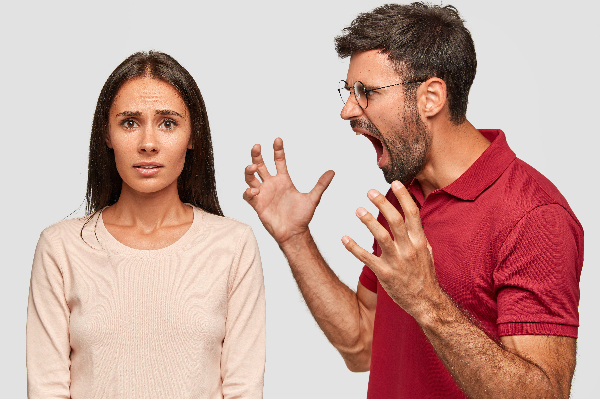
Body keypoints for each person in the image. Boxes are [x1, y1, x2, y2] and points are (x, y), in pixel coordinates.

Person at [243, 3, 582, 398]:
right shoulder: (405, 199)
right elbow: (361, 345)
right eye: (348, 91)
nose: (347, 110)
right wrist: (294, 238)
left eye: (365, 92)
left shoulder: (534, 216)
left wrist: (426, 300)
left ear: (431, 97)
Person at [27, 51, 266, 399]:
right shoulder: (61, 248)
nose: (148, 143)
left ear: (193, 136)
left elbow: (244, 389)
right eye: (129, 123)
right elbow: (47, 390)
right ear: (106, 135)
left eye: (168, 122)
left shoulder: (233, 245)